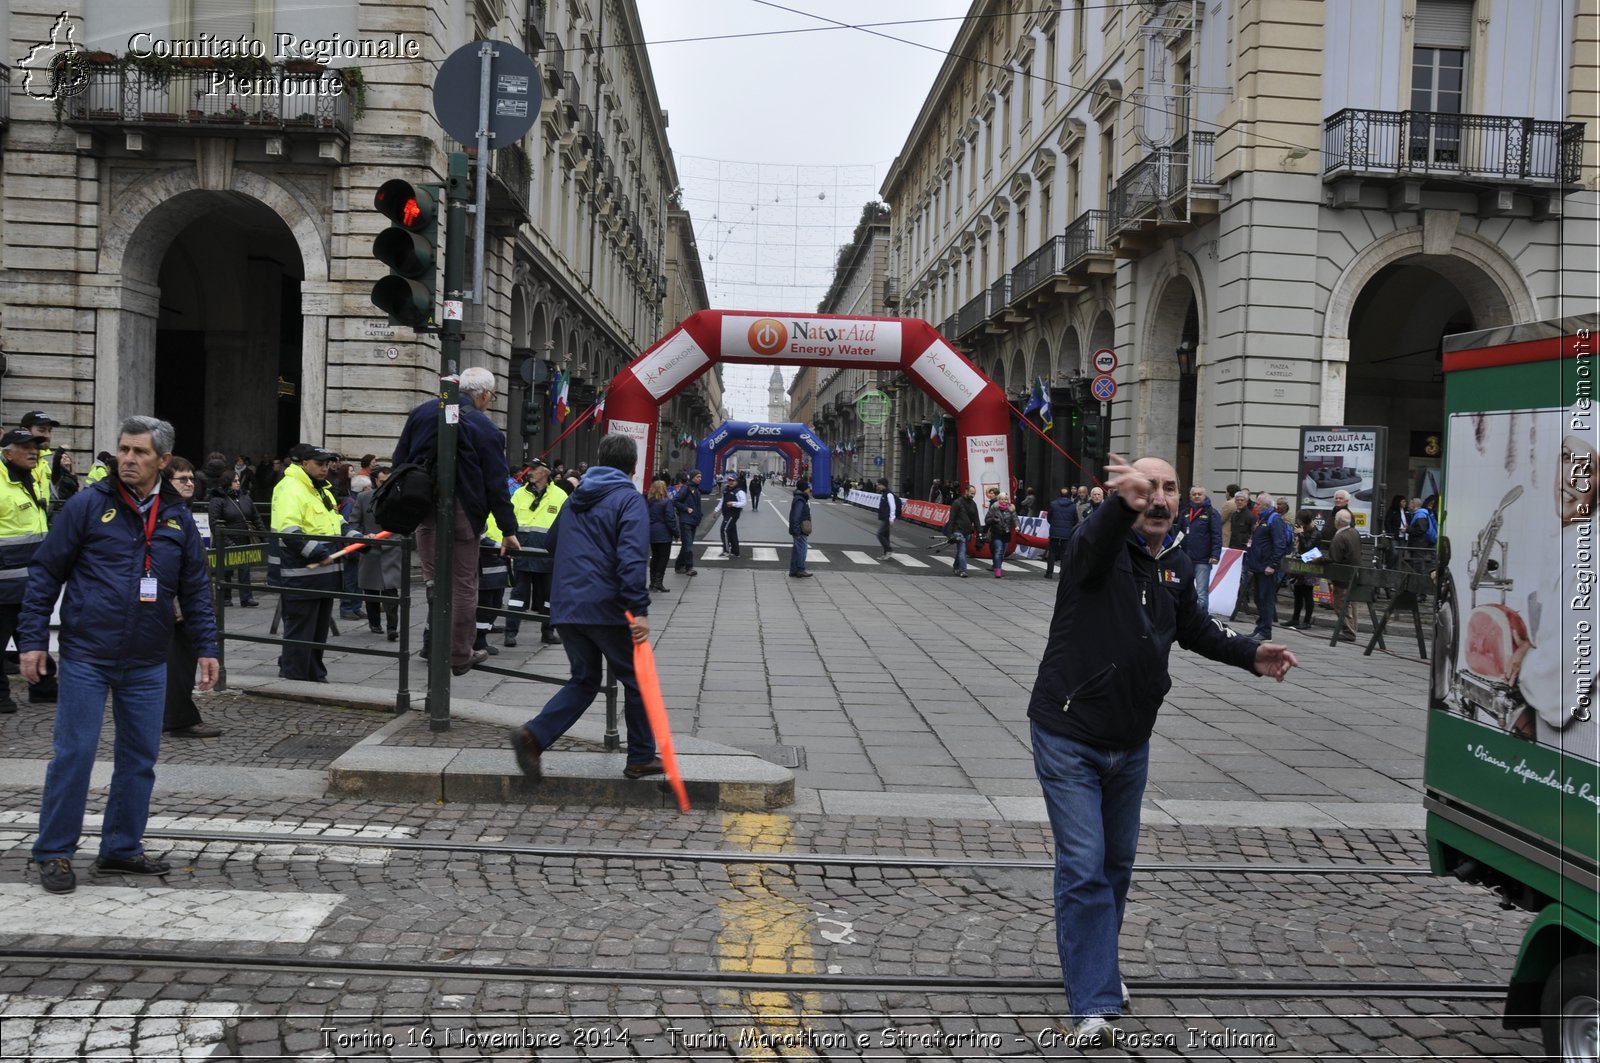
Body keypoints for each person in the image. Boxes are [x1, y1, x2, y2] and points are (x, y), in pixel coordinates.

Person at [1028, 453, 1298, 1045]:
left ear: (1182, 500)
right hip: (1069, 733)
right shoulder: (1095, 552)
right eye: (1148, 488)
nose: (1160, 498)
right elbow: (1094, 543)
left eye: (1169, 488)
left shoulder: (1173, 560)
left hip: (1131, 741)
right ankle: (1094, 1002)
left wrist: (1253, 652)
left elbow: (1197, 628)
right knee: (1083, 866)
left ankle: (1097, 967)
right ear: (1127, 496)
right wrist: (1119, 503)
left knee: (1116, 865)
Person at [23, 416, 220, 894]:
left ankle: (120, 848)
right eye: (123, 450)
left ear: (163, 460)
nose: (128, 460)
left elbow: (195, 588)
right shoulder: (88, 506)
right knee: (74, 755)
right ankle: (54, 852)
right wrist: (31, 639)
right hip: (88, 653)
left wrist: (207, 649)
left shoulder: (176, 517)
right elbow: (46, 573)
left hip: (148, 659)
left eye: (140, 453)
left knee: (139, 760)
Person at [509, 434, 660, 781]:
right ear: (633, 466)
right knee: (638, 681)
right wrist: (639, 610)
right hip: (607, 607)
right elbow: (633, 559)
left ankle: (533, 735)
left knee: (585, 678)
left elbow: (550, 542)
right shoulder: (628, 500)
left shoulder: (575, 497)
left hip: (566, 605)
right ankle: (640, 756)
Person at [391, 366, 521, 675]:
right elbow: (496, 484)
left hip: (423, 511)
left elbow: (399, 461)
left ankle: (433, 644)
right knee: (463, 585)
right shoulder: (485, 427)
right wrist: (508, 529)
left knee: (436, 582)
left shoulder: (421, 413)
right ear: (484, 395)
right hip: (462, 511)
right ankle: (459, 653)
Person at [269, 444, 355, 682]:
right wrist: (317, 553)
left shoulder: (321, 490)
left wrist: (354, 536)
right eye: (320, 464)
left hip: (323, 574)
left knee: (317, 632)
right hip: (299, 573)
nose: (325, 469)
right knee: (301, 630)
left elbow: (335, 520)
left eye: (327, 464)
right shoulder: (290, 488)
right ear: (303, 463)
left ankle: (314, 672)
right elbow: (289, 530)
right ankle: (296, 676)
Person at [161, 458, 221, 738]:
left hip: (186, 601)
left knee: (180, 662)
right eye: (181, 479)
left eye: (191, 479)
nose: (188, 483)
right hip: (174, 604)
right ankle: (178, 719)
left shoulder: (182, 512)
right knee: (177, 665)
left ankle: (174, 716)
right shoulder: (168, 512)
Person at [0, 428, 59, 710]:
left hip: (32, 580)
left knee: (32, 635)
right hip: (4, 581)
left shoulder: (30, 478)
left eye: (34, 446)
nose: (32, 451)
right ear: (7, 452)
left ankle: (43, 687)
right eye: (24, 447)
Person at [506, 459, 567, 648]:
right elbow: (509, 518)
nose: (529, 472)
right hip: (523, 553)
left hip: (547, 556)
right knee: (518, 595)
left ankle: (548, 632)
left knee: (549, 597)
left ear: (545, 472)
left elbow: (566, 525)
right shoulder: (519, 493)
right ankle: (510, 632)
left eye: (533, 469)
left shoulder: (560, 495)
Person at [353, 467, 402, 640]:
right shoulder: (364, 498)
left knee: (391, 590)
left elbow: (406, 524)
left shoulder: (399, 498)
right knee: (371, 590)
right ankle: (375, 624)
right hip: (370, 549)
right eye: (383, 481)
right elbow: (354, 523)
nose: (386, 484)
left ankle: (392, 627)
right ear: (375, 481)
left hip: (392, 550)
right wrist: (363, 537)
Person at [207, 466, 261, 607]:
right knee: (225, 572)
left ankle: (246, 598)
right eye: (235, 481)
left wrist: (263, 536)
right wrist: (228, 542)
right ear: (227, 482)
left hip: (243, 539)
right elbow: (214, 523)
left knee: (245, 570)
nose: (238, 483)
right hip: (225, 541)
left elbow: (256, 518)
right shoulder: (218, 499)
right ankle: (225, 598)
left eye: (238, 480)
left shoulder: (244, 497)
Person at [1242, 492, 1292, 641]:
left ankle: (1265, 632)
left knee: (1266, 599)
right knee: (1258, 598)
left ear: (1265, 505)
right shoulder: (1262, 518)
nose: (1255, 505)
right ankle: (1260, 627)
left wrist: (1273, 564)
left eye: (1257, 503)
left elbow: (1280, 544)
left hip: (1267, 567)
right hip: (1258, 566)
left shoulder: (1274, 519)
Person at [1176, 485, 1222, 613]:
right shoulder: (1185, 512)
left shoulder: (1211, 512)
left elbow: (1216, 535)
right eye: (1194, 494)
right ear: (1190, 496)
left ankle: (1202, 620)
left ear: (1204, 496)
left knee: (1201, 593)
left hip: (1203, 559)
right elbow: (1178, 533)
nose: (1197, 496)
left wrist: (1215, 555)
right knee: (1183, 589)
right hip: (1186, 557)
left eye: (1199, 494)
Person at [1327, 509, 1362, 642]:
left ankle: (1349, 632)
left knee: (1340, 604)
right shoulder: (1354, 532)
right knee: (1352, 604)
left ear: (1337, 522)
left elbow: (1333, 559)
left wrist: (1314, 559)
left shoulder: (1339, 537)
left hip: (1342, 576)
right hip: (1354, 574)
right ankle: (1353, 629)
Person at [1285, 510, 1319, 631]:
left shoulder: (1315, 532)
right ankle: (1295, 618)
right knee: (1298, 592)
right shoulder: (1304, 530)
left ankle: (1307, 621)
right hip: (1300, 564)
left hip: (1310, 564)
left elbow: (1308, 547)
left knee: (1308, 593)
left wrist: (1301, 534)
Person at [19, 411, 61, 505]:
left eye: (49, 431)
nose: (47, 436)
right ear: (25, 431)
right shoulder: (6, 460)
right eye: (41, 430)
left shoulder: (46, 462)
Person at [646, 479, 679, 593]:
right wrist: (676, 533)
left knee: (655, 556)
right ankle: (659, 583)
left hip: (651, 532)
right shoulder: (666, 502)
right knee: (663, 558)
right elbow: (670, 519)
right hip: (663, 532)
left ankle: (652, 582)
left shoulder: (649, 501)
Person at [672, 471, 704, 577]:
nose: (700, 479)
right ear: (693, 478)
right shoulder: (686, 488)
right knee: (688, 545)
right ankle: (689, 567)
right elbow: (675, 501)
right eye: (698, 477)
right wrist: (686, 509)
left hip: (693, 520)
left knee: (686, 545)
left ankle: (678, 565)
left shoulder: (696, 489)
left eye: (701, 477)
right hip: (686, 521)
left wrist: (699, 515)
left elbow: (696, 505)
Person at [1044, 487, 1079, 578]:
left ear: (1059, 494)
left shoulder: (1053, 504)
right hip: (1067, 532)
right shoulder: (1073, 506)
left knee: (1052, 552)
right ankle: (1062, 572)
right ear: (1068, 495)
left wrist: (1054, 524)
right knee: (1064, 553)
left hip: (1054, 531)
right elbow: (1076, 520)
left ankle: (1049, 573)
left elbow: (1049, 518)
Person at [947, 483, 980, 578]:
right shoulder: (957, 503)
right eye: (971, 493)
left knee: (961, 551)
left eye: (974, 493)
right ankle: (963, 570)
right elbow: (951, 519)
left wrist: (980, 533)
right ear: (966, 491)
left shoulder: (973, 504)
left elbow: (976, 520)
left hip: (967, 531)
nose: (972, 495)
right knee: (962, 550)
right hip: (958, 530)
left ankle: (956, 566)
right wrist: (950, 534)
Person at [984, 492, 1016, 578]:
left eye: (1006, 499)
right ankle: (998, 569)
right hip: (996, 533)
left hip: (1006, 533)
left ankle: (996, 564)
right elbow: (987, 520)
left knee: (1002, 554)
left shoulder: (1011, 509)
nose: (1004, 501)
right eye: (1002, 499)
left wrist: (1017, 526)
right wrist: (993, 520)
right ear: (999, 500)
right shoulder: (994, 508)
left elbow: (1015, 519)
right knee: (998, 550)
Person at [716, 473, 747, 557]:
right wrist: (716, 510)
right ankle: (735, 551)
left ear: (736, 481)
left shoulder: (739, 491)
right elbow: (722, 501)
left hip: (733, 514)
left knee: (724, 529)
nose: (731, 482)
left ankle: (726, 550)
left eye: (733, 480)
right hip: (726, 514)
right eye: (729, 480)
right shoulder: (726, 490)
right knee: (732, 532)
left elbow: (743, 503)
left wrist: (733, 503)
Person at [788, 477, 813, 578]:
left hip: (798, 529)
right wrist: (797, 531)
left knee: (797, 549)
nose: (809, 490)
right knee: (802, 549)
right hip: (800, 529)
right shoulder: (800, 500)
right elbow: (796, 516)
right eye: (808, 488)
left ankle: (793, 570)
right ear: (804, 489)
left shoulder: (800, 498)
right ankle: (800, 569)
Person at [875, 477, 898, 560]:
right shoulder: (884, 493)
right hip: (884, 517)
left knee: (879, 534)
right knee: (885, 536)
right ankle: (886, 554)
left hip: (887, 518)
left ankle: (889, 550)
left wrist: (892, 519)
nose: (878, 486)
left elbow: (893, 507)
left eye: (879, 485)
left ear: (884, 485)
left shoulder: (889, 494)